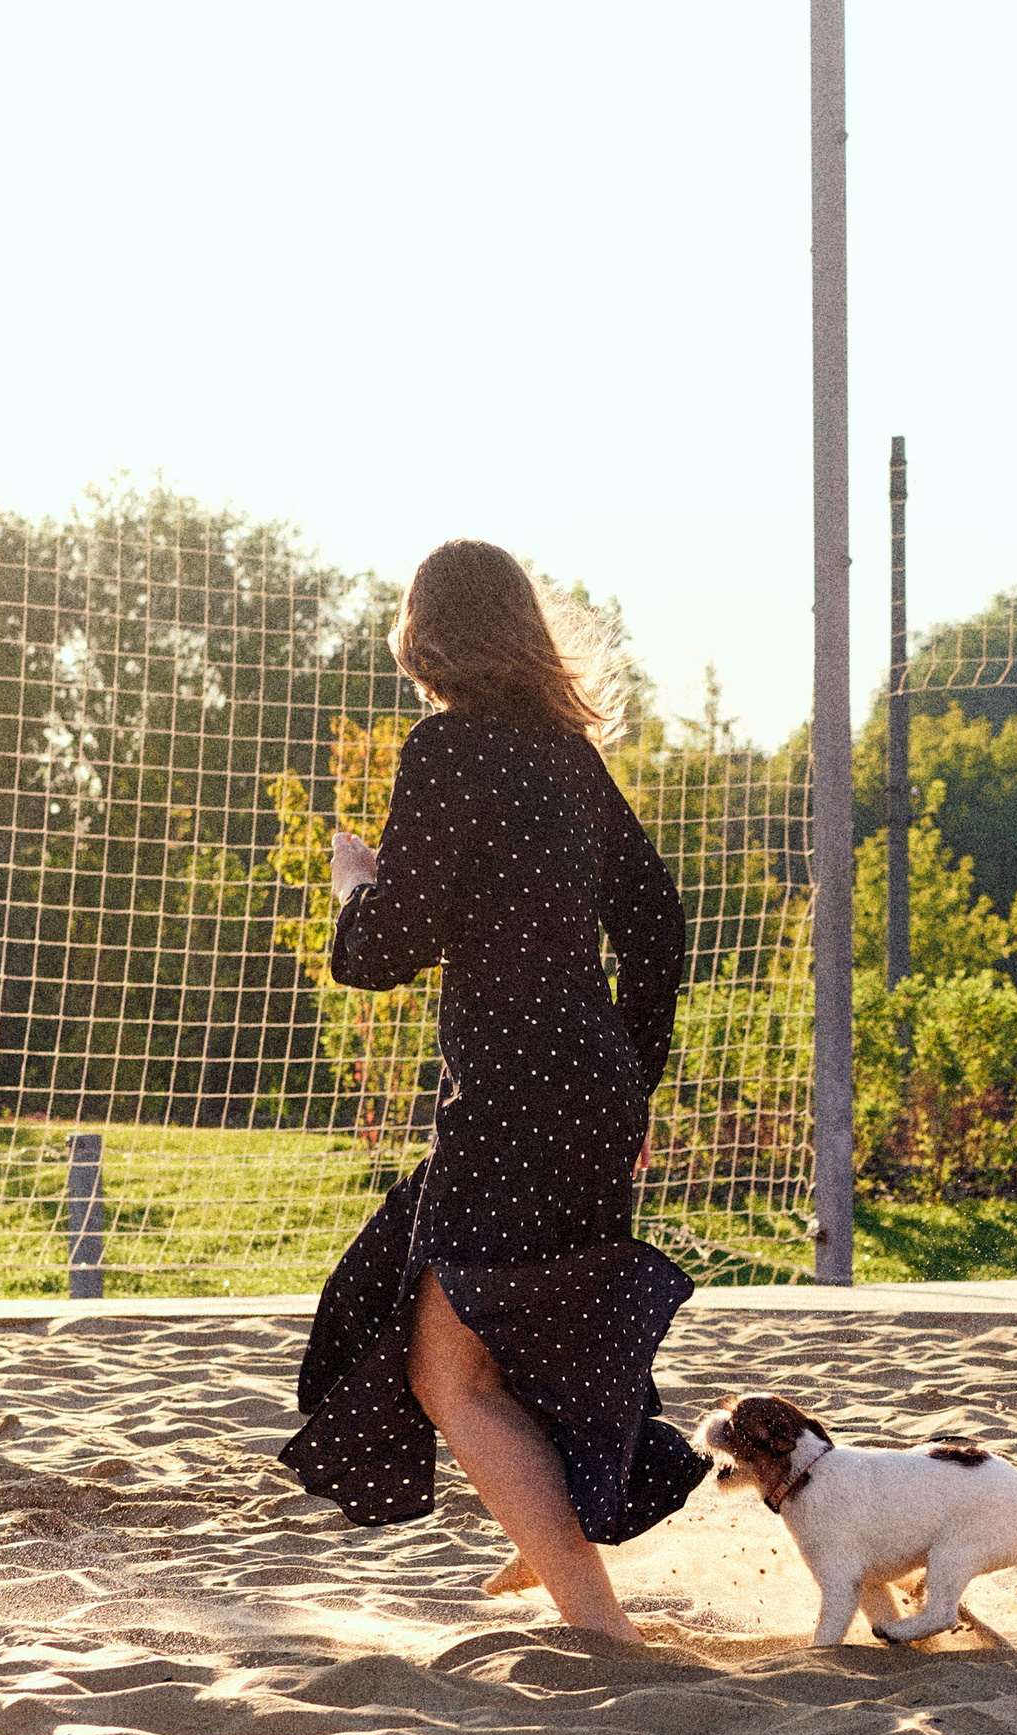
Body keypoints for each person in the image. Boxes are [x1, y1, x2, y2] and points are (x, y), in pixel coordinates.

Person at [279, 539, 705, 1642]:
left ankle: (595, 1616)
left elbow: (383, 950)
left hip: (513, 1089)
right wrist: (632, 1081)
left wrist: (354, 884)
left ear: (425, 637)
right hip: (591, 1090)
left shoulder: (449, 749)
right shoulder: (568, 757)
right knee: (527, 1329)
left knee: (445, 1367)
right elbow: (658, 929)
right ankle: (547, 1529)